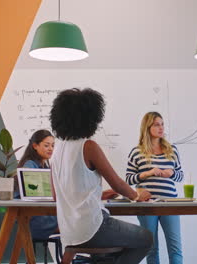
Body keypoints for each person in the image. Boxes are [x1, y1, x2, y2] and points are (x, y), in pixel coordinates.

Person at [49, 88, 153, 264]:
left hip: (69, 233)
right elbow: (118, 183)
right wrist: (137, 195)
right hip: (93, 228)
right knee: (146, 238)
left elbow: (56, 196)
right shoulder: (88, 146)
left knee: (108, 254)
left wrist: (100, 195)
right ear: (91, 118)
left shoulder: (56, 150)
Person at [126, 111, 184, 264]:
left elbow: (180, 176)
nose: (161, 128)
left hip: (170, 204)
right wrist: (147, 174)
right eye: (157, 124)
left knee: (175, 249)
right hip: (147, 205)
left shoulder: (172, 150)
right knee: (151, 250)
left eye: (162, 124)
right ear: (147, 127)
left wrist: (171, 173)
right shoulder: (136, 152)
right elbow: (128, 179)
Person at [16, 129, 58, 241]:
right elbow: (35, 195)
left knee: (73, 220)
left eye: (53, 145)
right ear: (35, 146)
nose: (51, 149)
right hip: (37, 220)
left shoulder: (45, 166)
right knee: (74, 222)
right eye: (47, 145)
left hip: (44, 216)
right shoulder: (30, 165)